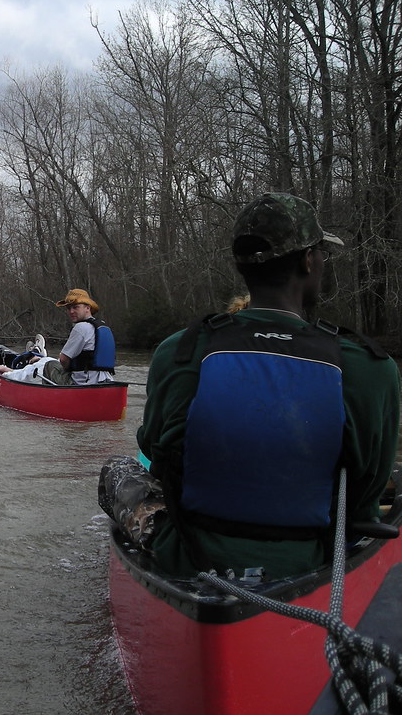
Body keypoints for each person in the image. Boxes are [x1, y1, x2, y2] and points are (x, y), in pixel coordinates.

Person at [99, 192, 400, 579]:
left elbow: (153, 448)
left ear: (243, 269)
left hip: (190, 555)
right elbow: (367, 492)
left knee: (119, 467)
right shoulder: (369, 365)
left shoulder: (181, 350)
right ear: (309, 261)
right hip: (310, 559)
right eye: (322, 253)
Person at [53, 289, 116, 385]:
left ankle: (52, 398)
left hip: (83, 382)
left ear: (87, 308)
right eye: (69, 308)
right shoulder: (103, 327)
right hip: (105, 380)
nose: (71, 311)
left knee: (49, 366)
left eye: (75, 307)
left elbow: (63, 359)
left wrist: (67, 369)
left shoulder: (80, 327)